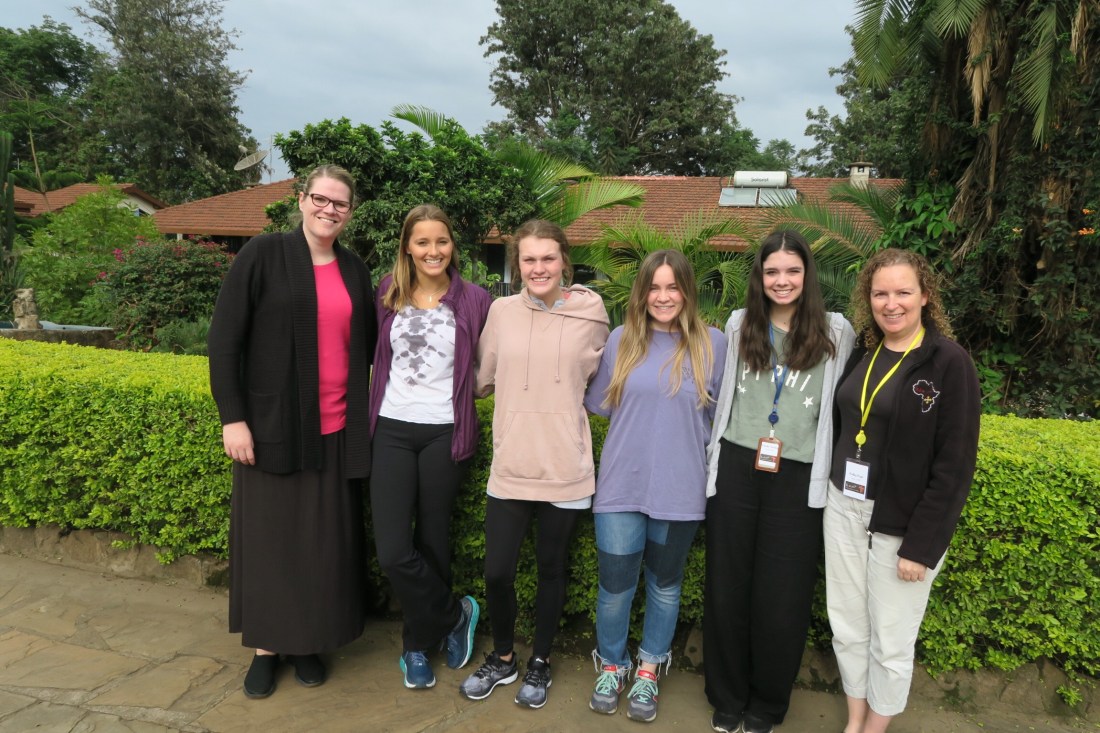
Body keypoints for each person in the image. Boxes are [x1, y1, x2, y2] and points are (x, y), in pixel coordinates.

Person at [207, 164, 376, 699]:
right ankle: (265, 649)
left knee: (320, 545)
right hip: (271, 429)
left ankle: (307, 642)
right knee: (271, 543)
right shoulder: (264, 254)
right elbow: (224, 340)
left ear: (350, 212)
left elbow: (372, 343)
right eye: (321, 199)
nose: (329, 210)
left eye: (340, 203)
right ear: (301, 199)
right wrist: (233, 417)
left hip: (336, 429)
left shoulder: (354, 268)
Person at [704, 230, 856, 733]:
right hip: (736, 468)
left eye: (792, 270)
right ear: (760, 276)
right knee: (727, 586)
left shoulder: (837, 331)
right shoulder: (740, 323)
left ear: (808, 275)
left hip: (797, 477)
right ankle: (727, 696)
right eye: (772, 271)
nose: (782, 280)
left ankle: (767, 705)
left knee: (782, 596)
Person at [824, 248, 979, 733]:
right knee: (847, 628)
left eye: (903, 292)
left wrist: (921, 546)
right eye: (880, 294)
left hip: (901, 524)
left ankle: (875, 729)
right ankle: (854, 722)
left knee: (890, 641)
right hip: (843, 508)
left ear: (925, 296)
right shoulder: (863, 351)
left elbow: (955, 466)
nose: (891, 304)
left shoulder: (948, 363)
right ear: (868, 298)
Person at [459, 219, 610, 709]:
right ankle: (503, 658)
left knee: (551, 570)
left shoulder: (592, 312)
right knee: (497, 572)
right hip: (511, 466)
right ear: (517, 264)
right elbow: (481, 381)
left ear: (565, 261)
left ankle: (540, 661)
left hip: (566, 469)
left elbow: (605, 382)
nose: (538, 267)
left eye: (548, 258)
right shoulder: (501, 312)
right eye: (529, 259)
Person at [583, 249, 726, 723]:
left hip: (680, 492)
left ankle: (648, 670)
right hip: (620, 488)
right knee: (615, 588)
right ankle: (612, 666)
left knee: (664, 587)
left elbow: (724, 417)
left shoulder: (714, 345)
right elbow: (598, 405)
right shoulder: (622, 339)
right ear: (641, 293)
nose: (663, 297)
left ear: (688, 291)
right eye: (654, 288)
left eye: (673, 287)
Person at [368, 204, 491, 689]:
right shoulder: (387, 291)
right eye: (422, 242)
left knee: (434, 541)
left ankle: (417, 645)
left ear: (452, 245)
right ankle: (455, 614)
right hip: (392, 429)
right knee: (393, 551)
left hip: (445, 431)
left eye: (441, 241)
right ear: (407, 247)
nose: (433, 250)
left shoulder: (475, 299)